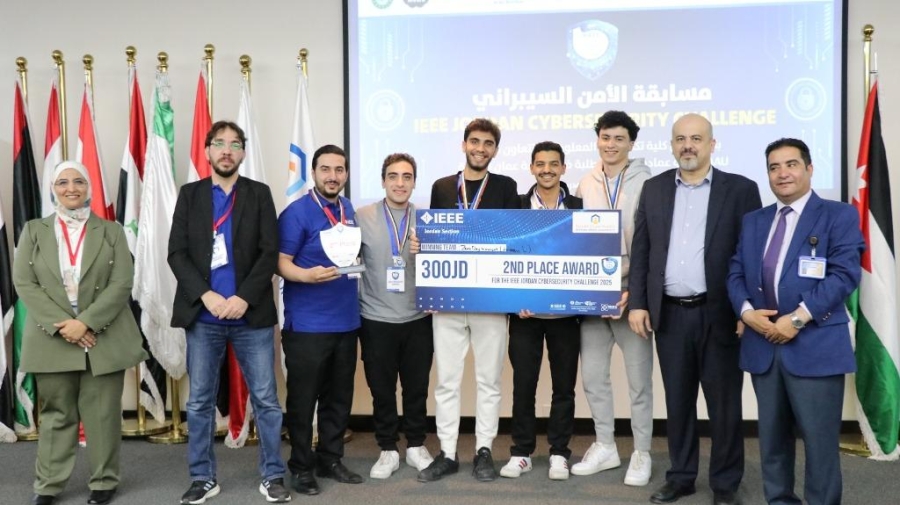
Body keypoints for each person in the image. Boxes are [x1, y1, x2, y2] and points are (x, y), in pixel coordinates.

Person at [628, 113, 761, 505]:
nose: (688, 145)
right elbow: (642, 250)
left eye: (696, 138)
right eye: (681, 139)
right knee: (678, 401)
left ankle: (725, 484)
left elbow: (751, 256)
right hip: (669, 315)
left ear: (711, 144)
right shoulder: (654, 188)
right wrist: (638, 303)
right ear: (672, 145)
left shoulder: (740, 190)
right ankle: (681, 476)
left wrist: (746, 309)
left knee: (724, 406)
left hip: (720, 314)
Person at [727, 138, 864, 505]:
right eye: (774, 167)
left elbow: (844, 275)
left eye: (791, 164)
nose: (782, 173)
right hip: (763, 346)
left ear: (809, 168)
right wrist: (746, 313)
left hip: (815, 346)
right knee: (772, 443)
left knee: (820, 446)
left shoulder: (838, 215)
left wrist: (798, 319)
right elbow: (736, 272)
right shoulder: (754, 221)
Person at [168, 121, 290, 504]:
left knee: (266, 399)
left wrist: (243, 298)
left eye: (234, 144)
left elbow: (269, 252)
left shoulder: (259, 193)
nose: (226, 151)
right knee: (199, 402)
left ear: (243, 153)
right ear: (207, 151)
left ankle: (273, 475)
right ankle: (203, 478)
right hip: (204, 317)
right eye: (219, 144)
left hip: (250, 316)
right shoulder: (190, 195)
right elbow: (177, 253)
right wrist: (205, 295)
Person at [13, 160, 148, 505]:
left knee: (103, 414)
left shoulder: (112, 231)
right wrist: (66, 326)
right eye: (63, 182)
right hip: (52, 336)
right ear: (53, 188)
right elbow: (24, 283)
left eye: (78, 181)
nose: (71, 188)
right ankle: (48, 485)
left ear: (88, 187)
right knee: (56, 415)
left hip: (102, 335)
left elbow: (122, 283)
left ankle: (104, 481)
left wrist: (85, 323)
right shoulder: (33, 230)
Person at [418, 118, 519, 483]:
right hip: (448, 299)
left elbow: (513, 242)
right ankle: (447, 452)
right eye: (475, 141)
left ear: (495, 149)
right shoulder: (442, 187)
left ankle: (484, 451)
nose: (480, 148)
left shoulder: (506, 187)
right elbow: (434, 240)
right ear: (464, 145)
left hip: (490, 300)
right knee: (447, 381)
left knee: (489, 381)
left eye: (488, 143)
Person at [571, 111, 654, 486]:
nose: (611, 144)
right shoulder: (584, 182)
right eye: (605, 137)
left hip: (630, 294)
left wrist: (636, 292)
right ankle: (605, 445)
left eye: (619, 138)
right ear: (597, 140)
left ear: (631, 143)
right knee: (593, 377)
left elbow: (652, 243)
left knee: (639, 381)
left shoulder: (648, 182)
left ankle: (642, 451)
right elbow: (574, 240)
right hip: (593, 295)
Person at [278, 145, 364, 495]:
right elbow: (280, 262)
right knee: (303, 401)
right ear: (313, 173)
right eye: (325, 169)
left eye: (339, 170)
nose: (332, 176)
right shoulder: (296, 212)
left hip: (346, 321)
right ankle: (301, 467)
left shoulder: (348, 209)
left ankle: (330, 458)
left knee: (338, 398)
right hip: (308, 326)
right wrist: (306, 276)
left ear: (346, 174)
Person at [499, 141, 582, 481]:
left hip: (566, 317)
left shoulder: (579, 207)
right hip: (525, 316)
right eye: (540, 164)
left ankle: (559, 453)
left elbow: (587, 257)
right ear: (532, 168)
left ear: (563, 168)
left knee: (564, 388)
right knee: (524, 385)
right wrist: (512, 301)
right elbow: (504, 258)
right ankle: (521, 453)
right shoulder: (516, 207)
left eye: (553, 164)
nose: (547, 170)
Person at [357, 153, 435, 480]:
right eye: (393, 176)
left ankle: (416, 445)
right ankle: (387, 448)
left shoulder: (428, 219)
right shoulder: (361, 216)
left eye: (407, 177)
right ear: (383, 181)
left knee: (417, 388)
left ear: (414, 182)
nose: (400, 183)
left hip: (418, 318)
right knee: (382, 389)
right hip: (375, 319)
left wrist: (429, 249)